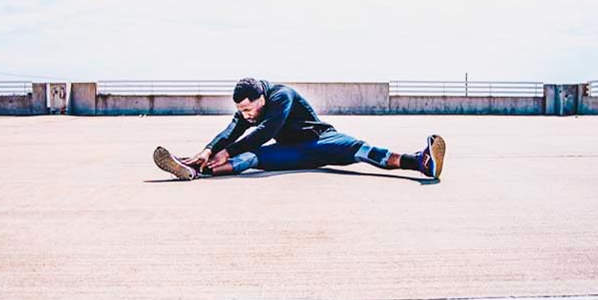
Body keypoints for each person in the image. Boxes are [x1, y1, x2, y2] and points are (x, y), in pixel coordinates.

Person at [153, 78, 446, 181]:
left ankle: (421, 162)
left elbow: (266, 131)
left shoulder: (282, 96)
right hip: (290, 153)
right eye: (242, 110)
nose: (246, 115)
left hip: (321, 141)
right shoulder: (248, 109)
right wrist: (208, 150)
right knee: (251, 159)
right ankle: (192, 169)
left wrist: (227, 149)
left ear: (262, 98)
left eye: (250, 109)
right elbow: (232, 129)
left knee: (363, 151)